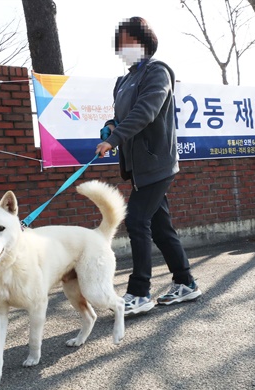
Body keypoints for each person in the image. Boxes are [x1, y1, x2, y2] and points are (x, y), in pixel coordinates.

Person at [96, 17, 201, 316]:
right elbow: (123, 116)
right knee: (159, 226)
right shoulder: (123, 81)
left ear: (143, 42)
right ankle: (186, 283)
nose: (123, 48)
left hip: (158, 161)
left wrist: (114, 138)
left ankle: (140, 292)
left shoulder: (158, 71)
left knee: (137, 220)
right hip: (138, 166)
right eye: (120, 43)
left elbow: (146, 110)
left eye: (128, 41)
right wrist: (110, 126)